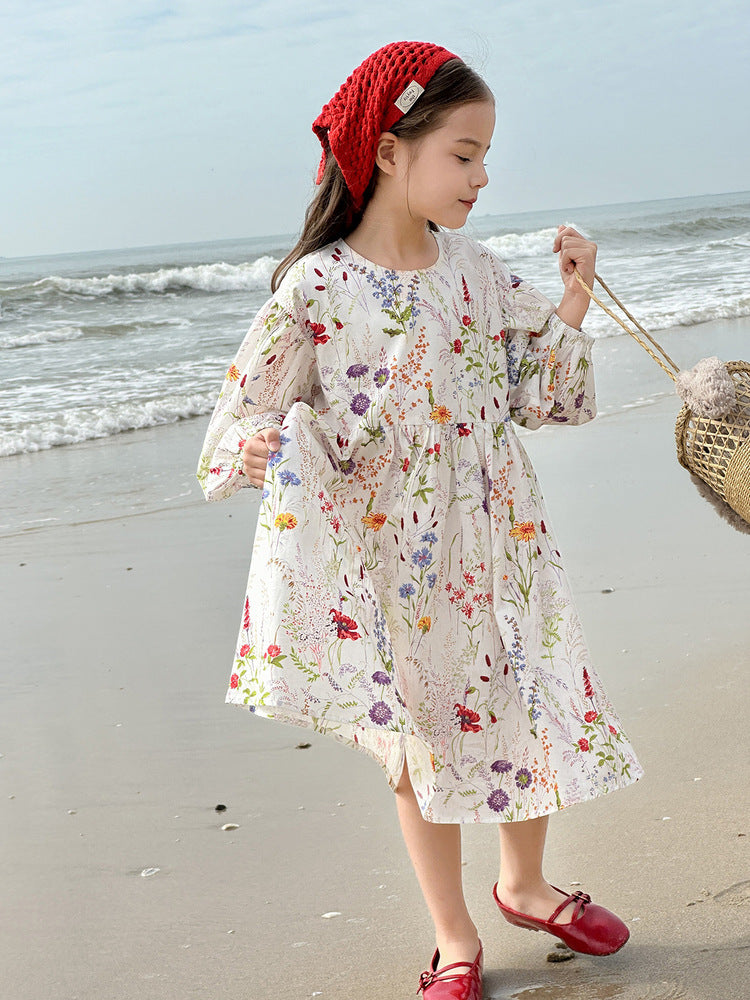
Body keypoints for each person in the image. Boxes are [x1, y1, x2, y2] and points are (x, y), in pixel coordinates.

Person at [197, 40, 643, 999]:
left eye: (485, 157)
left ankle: (524, 885)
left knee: (521, 701)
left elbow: (541, 395)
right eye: (464, 154)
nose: (482, 177)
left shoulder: (476, 271)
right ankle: (454, 936)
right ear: (390, 149)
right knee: (420, 739)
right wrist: (265, 449)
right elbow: (239, 418)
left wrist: (572, 296)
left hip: (502, 537)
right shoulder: (318, 288)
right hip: (395, 556)